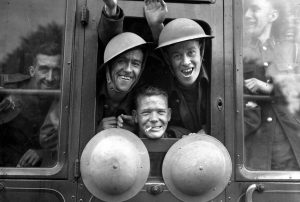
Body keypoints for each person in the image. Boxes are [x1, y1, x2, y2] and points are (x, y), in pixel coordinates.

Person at [243, 0, 300, 170]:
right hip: (256, 151)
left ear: (273, 15)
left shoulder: (293, 51)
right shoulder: (239, 53)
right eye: (246, 10)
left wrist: (271, 87)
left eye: (255, 10)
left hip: (292, 147)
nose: (247, 15)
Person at [144, 0, 213, 134]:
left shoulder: (219, 78)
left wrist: (207, 131)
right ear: (170, 61)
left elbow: (248, 116)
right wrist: (156, 27)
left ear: (201, 51)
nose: (186, 62)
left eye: (191, 53)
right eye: (177, 56)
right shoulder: (162, 83)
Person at [0, 43, 61, 167]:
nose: (50, 78)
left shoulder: (62, 100)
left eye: (56, 70)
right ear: (32, 71)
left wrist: (44, 154)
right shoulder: (8, 92)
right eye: (44, 69)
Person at [96, 0, 150, 132]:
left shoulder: (143, 100)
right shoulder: (86, 89)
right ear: (110, 65)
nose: (128, 69)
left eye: (136, 63)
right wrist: (94, 132)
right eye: (121, 61)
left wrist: (138, 132)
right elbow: (47, 137)